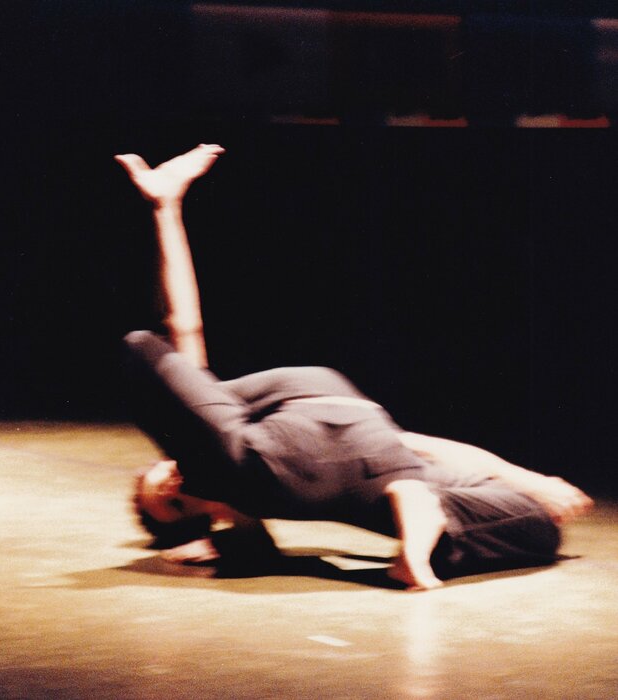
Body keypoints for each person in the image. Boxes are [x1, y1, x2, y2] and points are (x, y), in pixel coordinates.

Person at [115, 144, 593, 591]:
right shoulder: (235, 481)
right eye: (177, 503)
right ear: (210, 516)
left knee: (155, 360)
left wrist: (166, 210)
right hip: (359, 450)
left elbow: (184, 327)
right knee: (536, 527)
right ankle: (417, 518)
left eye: (164, 477)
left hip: (345, 438)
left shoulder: (214, 439)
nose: (175, 484)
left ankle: (416, 517)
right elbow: (410, 447)